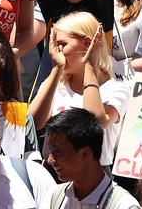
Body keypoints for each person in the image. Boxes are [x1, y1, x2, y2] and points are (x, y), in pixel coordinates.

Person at [30, 12, 127, 167]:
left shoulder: (115, 89)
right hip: (53, 171)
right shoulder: (55, 84)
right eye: (54, 45)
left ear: (87, 43)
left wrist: (89, 65)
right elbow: (33, 123)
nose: (56, 51)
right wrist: (57, 69)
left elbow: (96, 123)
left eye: (61, 44)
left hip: (93, 175)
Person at [43, 108, 141, 209]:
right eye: (51, 150)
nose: (50, 160)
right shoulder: (54, 198)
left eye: (58, 152)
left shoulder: (123, 205)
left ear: (85, 154)